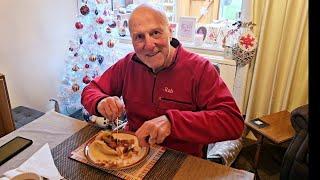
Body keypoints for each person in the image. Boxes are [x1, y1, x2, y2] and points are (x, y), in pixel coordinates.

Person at [81, 4, 244, 157]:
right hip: (132, 152)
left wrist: (173, 123)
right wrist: (100, 101)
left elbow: (233, 122)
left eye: (155, 33)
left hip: (180, 159)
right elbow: (90, 90)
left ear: (170, 31)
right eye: (139, 37)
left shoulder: (200, 69)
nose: (149, 45)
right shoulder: (127, 64)